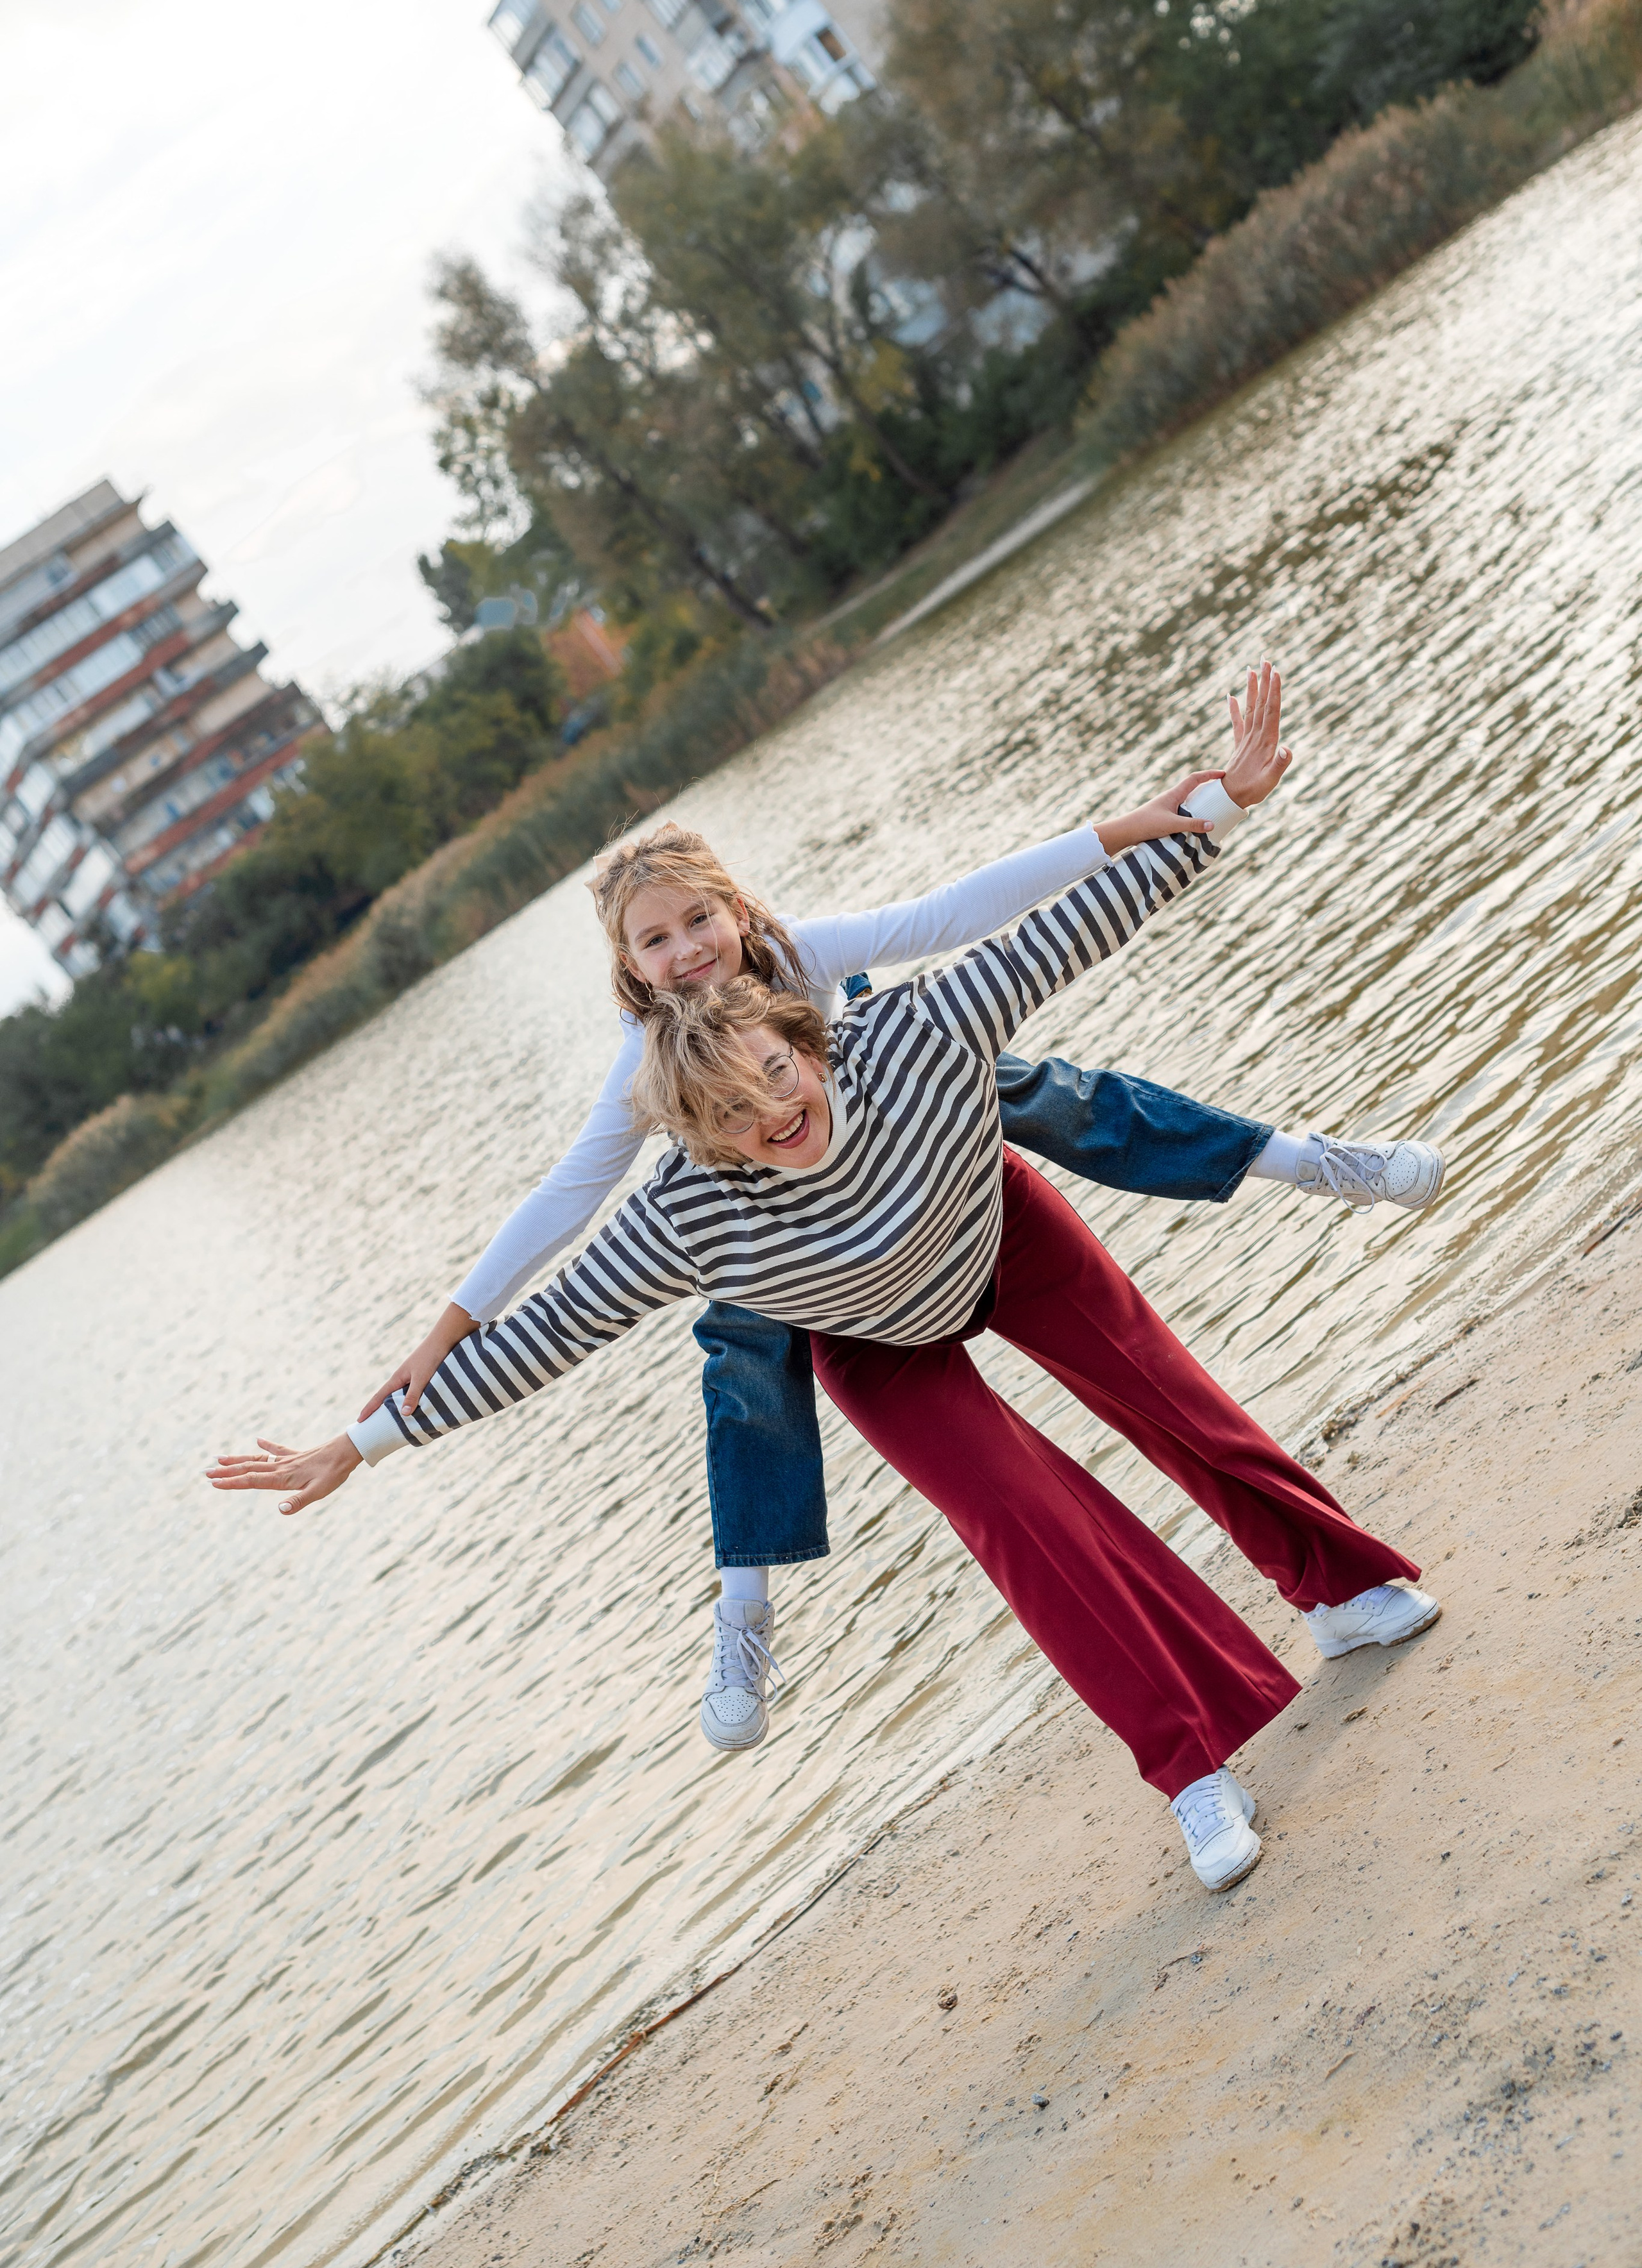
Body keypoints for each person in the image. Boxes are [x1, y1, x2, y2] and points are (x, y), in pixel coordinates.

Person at [207, 665, 1442, 1894]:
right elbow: (554, 1302)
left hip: (983, 1220)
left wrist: (1212, 807)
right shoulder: (676, 1174)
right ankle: (1188, 1766)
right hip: (861, 1328)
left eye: (778, 1071)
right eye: (734, 1111)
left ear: (797, 1020)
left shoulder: (901, 1019)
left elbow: (1030, 916)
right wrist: (369, 1432)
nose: (772, 1111)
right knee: (1019, 1517)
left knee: (1169, 1392)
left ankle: (1340, 1586)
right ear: (685, 1101)